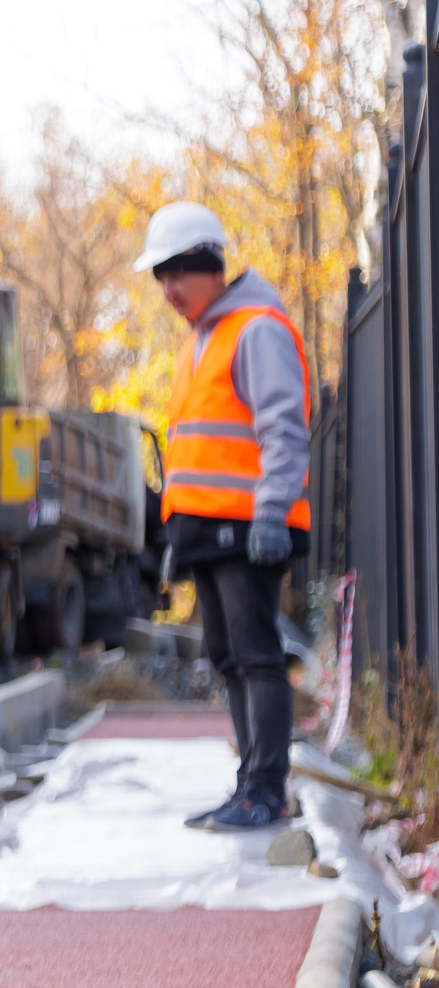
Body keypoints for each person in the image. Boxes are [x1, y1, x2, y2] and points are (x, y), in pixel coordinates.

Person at [136, 201, 311, 831]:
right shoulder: (202, 338)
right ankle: (248, 786)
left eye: (176, 273)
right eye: (160, 277)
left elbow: (283, 429)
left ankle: (267, 790)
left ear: (211, 266)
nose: (168, 290)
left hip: (247, 527)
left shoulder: (255, 329)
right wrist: (178, 534)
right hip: (209, 531)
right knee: (228, 656)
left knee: (256, 653)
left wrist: (271, 513)